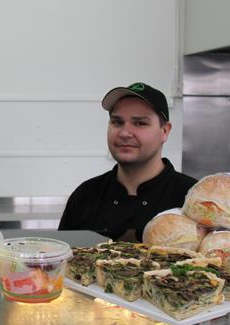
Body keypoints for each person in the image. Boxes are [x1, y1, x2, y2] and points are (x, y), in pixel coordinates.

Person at [58, 82, 196, 242]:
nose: (124, 133)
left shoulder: (191, 200)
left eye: (140, 123)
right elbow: (59, 262)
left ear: (164, 131)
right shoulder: (85, 196)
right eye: (117, 122)